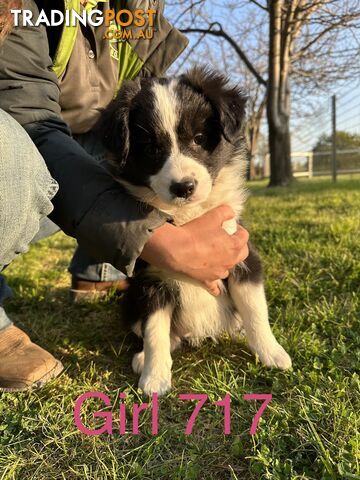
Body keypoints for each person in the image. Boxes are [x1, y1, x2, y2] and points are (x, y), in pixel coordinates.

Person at [0, 1, 250, 391]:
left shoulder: (133, 9)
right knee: (7, 157)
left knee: (135, 157)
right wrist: (155, 238)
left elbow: (155, 111)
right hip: (25, 134)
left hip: (85, 139)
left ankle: (97, 275)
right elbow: (32, 121)